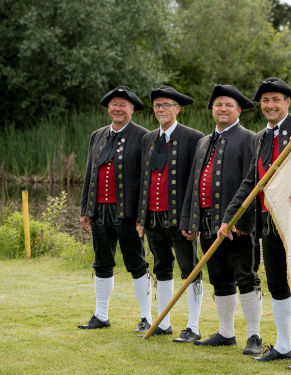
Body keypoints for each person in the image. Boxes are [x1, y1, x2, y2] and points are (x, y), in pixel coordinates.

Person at [218, 78, 291, 370]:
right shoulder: (259, 137)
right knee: (276, 284)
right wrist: (229, 217)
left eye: (276, 100)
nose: (270, 105)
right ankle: (284, 346)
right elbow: (252, 181)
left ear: (287, 102)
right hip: (268, 221)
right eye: (265, 101)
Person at [180, 84, 262, 355]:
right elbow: (194, 184)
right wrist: (190, 220)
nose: (223, 109)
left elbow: (254, 184)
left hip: (238, 226)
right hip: (207, 225)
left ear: (238, 110)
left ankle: (254, 337)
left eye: (228, 105)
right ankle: (226, 332)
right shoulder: (204, 142)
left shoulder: (250, 138)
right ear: (212, 110)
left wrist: (243, 220)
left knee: (246, 277)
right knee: (219, 278)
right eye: (218, 105)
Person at [79, 86, 152, 332]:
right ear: (109, 108)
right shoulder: (97, 135)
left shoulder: (144, 136)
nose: (117, 109)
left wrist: (143, 215)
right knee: (102, 262)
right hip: (100, 211)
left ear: (132, 109)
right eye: (114, 104)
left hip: (128, 213)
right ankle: (101, 315)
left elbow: (146, 180)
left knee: (136, 263)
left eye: (123, 105)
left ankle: (147, 318)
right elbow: (90, 172)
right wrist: (85, 208)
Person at [136, 86, 204, 341]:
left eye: (166, 105)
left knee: (190, 269)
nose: (161, 110)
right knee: (161, 267)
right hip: (153, 215)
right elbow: (146, 179)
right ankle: (162, 322)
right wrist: (142, 217)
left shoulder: (194, 137)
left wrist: (193, 218)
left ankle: (194, 326)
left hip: (181, 218)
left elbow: (196, 182)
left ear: (177, 109)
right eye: (157, 106)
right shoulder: (148, 139)